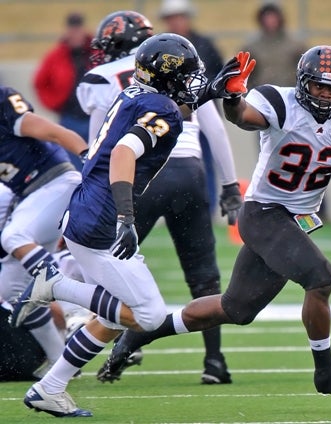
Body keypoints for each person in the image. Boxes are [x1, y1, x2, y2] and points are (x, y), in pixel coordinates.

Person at [98, 45, 331, 402]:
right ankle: (327, 373)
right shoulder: (281, 102)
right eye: (319, 86)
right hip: (263, 212)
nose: (327, 94)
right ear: (303, 84)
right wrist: (233, 96)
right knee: (321, 276)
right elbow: (243, 117)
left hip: (295, 222)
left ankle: (142, 333)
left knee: (235, 309)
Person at [11, 33, 244, 418]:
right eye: (186, 76)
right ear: (167, 78)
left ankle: (49, 388)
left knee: (111, 318)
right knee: (148, 316)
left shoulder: (137, 95)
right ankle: (57, 285)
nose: (192, 82)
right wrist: (126, 217)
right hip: (102, 218)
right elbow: (124, 152)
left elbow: (169, 112)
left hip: (86, 210)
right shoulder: (163, 110)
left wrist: (211, 92)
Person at [77, 10, 241, 384]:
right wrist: (230, 185)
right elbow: (213, 128)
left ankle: (121, 346)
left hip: (145, 174)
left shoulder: (105, 79)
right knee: (203, 275)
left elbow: (99, 146)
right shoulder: (185, 72)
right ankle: (214, 362)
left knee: (117, 269)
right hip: (192, 174)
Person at [0, 85, 87, 380]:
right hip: (32, 199)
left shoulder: (4, 102)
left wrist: (90, 160)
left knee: (13, 237)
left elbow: (55, 132)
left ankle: (67, 295)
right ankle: (61, 364)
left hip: (56, 182)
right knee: (10, 292)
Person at [158, 0, 226, 215]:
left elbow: (219, 76)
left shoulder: (204, 44)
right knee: (167, 163)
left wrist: (199, 89)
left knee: (204, 162)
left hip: (202, 111)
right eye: (172, 18)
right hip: (172, 115)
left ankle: (208, 207)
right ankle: (170, 209)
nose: (176, 22)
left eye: (179, 17)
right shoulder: (160, 46)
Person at [33, 12, 93, 169]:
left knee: (96, 159)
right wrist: (54, 103)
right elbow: (40, 82)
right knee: (73, 162)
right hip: (70, 117)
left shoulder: (95, 51)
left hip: (94, 115)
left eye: (78, 29)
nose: (75, 33)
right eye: (72, 29)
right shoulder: (56, 55)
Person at [240, 1, 308, 90]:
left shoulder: (296, 44)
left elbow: (306, 71)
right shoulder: (251, 47)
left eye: (273, 17)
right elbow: (244, 76)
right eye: (267, 17)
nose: (270, 20)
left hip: (289, 93)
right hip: (261, 94)